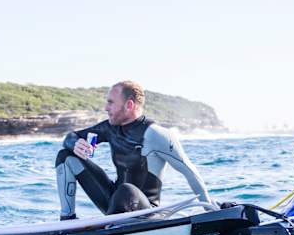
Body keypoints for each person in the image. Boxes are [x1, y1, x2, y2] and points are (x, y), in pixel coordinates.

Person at [55, 81, 215, 220]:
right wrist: (75, 143)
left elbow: (190, 172)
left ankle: (110, 227)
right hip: (114, 204)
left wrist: (211, 212)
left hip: (145, 213)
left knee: (126, 190)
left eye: (111, 102)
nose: (105, 108)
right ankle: (67, 220)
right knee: (65, 156)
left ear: (129, 105)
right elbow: (70, 137)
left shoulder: (155, 134)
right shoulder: (110, 128)